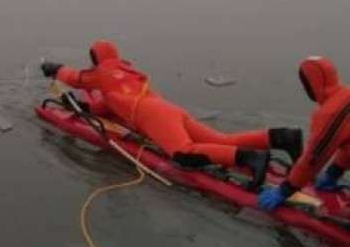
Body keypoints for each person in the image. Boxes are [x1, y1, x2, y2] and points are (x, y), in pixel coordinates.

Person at [42, 40, 302, 189]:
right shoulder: (124, 75)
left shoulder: (103, 73)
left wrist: (55, 68)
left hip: (153, 116)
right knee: (223, 140)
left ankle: (250, 158)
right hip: (168, 110)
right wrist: (76, 105)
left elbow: (76, 78)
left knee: (184, 154)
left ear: (95, 59)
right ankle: (283, 137)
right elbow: (108, 108)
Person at [258, 56, 350, 211]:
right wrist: (334, 172)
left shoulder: (330, 113)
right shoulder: (346, 95)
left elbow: (312, 159)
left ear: (312, 85)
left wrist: (285, 190)